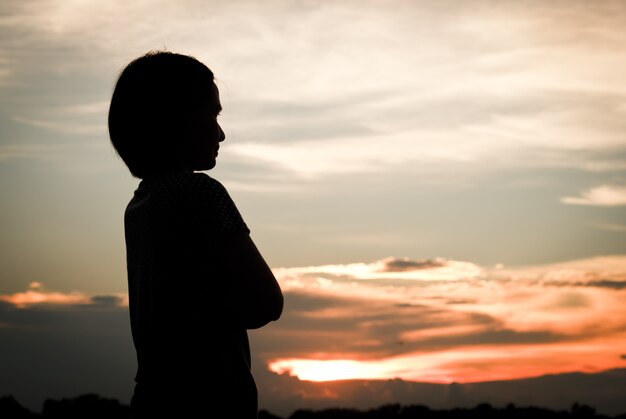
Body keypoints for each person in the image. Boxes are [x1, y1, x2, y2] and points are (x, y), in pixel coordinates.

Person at [108, 51, 284, 418]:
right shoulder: (201, 193)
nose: (220, 132)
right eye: (213, 114)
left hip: (155, 403)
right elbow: (266, 303)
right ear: (175, 119)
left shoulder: (139, 206)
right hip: (208, 406)